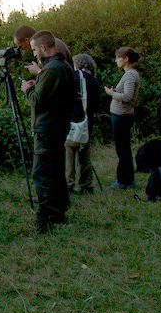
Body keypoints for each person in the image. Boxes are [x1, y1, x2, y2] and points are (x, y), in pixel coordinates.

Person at [21, 30, 75, 232]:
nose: (34, 54)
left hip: (47, 129)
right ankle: (58, 213)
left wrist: (27, 89)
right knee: (56, 171)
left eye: (35, 49)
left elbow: (37, 101)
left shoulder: (51, 70)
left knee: (42, 173)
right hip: (59, 127)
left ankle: (44, 219)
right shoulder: (64, 67)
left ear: (44, 48)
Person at [104, 46, 141, 190]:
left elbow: (127, 97)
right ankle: (126, 180)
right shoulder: (130, 74)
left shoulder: (130, 75)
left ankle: (124, 181)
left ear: (125, 59)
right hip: (122, 116)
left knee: (122, 150)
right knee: (123, 149)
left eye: (118, 57)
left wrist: (111, 93)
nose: (116, 60)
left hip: (122, 116)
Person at [66, 53, 101, 194]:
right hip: (88, 120)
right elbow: (96, 104)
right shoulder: (94, 81)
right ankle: (85, 185)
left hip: (74, 119)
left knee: (69, 151)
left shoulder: (75, 77)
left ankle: (69, 183)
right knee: (84, 152)